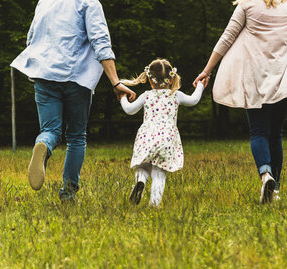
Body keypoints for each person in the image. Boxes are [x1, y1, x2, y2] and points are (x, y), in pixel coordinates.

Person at [193, 0, 287, 204]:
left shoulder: (247, 6)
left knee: (258, 131)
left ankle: (266, 175)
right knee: (275, 133)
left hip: (254, 78)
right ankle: (275, 188)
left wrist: (207, 70)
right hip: (286, 79)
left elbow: (226, 38)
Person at [10, 0, 135, 202]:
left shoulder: (45, 2)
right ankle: (68, 192)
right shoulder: (89, 3)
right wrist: (115, 82)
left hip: (44, 74)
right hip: (76, 77)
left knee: (50, 130)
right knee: (76, 136)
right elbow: (101, 42)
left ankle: (43, 144)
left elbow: (31, 39)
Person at [120, 59, 205, 206]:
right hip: (166, 139)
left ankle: (140, 181)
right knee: (159, 172)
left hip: (146, 137)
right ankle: (154, 204)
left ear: (150, 81)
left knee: (143, 166)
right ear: (172, 79)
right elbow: (194, 100)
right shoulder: (176, 95)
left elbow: (129, 110)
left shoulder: (147, 95)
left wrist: (122, 97)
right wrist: (201, 85)